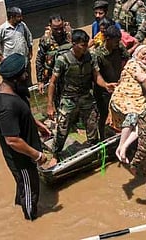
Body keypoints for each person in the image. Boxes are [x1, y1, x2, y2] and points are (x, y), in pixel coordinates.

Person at [0, 53, 56, 221]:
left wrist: (36, 124)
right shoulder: (6, 106)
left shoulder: (14, 90)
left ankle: (19, 205)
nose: (27, 75)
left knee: (24, 186)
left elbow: (22, 113)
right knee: (31, 189)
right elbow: (12, 140)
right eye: (24, 73)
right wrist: (37, 155)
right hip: (21, 159)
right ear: (14, 78)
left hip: (26, 152)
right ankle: (30, 223)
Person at [46, 29, 117, 162]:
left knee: (92, 124)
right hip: (68, 98)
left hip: (85, 97)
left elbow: (97, 76)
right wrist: (50, 105)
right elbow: (52, 83)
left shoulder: (91, 57)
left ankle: (93, 148)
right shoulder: (63, 59)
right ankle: (56, 154)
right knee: (62, 127)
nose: (86, 47)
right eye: (82, 45)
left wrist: (106, 85)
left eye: (86, 44)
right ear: (74, 44)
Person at [92, 26, 131, 140]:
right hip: (103, 91)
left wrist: (124, 75)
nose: (117, 43)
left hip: (119, 87)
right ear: (107, 39)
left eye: (118, 41)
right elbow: (96, 75)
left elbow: (127, 60)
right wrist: (106, 85)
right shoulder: (97, 54)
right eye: (115, 41)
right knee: (104, 115)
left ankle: (120, 137)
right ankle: (103, 139)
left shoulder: (119, 47)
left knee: (121, 111)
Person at [0, 7, 34, 86]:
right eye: (18, 17)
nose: (21, 18)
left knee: (28, 82)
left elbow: (29, 37)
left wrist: (30, 51)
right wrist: (1, 58)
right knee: (14, 84)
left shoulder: (22, 25)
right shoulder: (2, 29)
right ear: (11, 17)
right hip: (12, 65)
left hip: (24, 60)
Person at [35, 14, 72, 95]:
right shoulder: (45, 40)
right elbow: (39, 60)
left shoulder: (71, 35)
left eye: (61, 28)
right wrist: (40, 81)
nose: (59, 31)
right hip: (54, 77)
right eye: (56, 29)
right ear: (50, 26)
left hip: (71, 75)